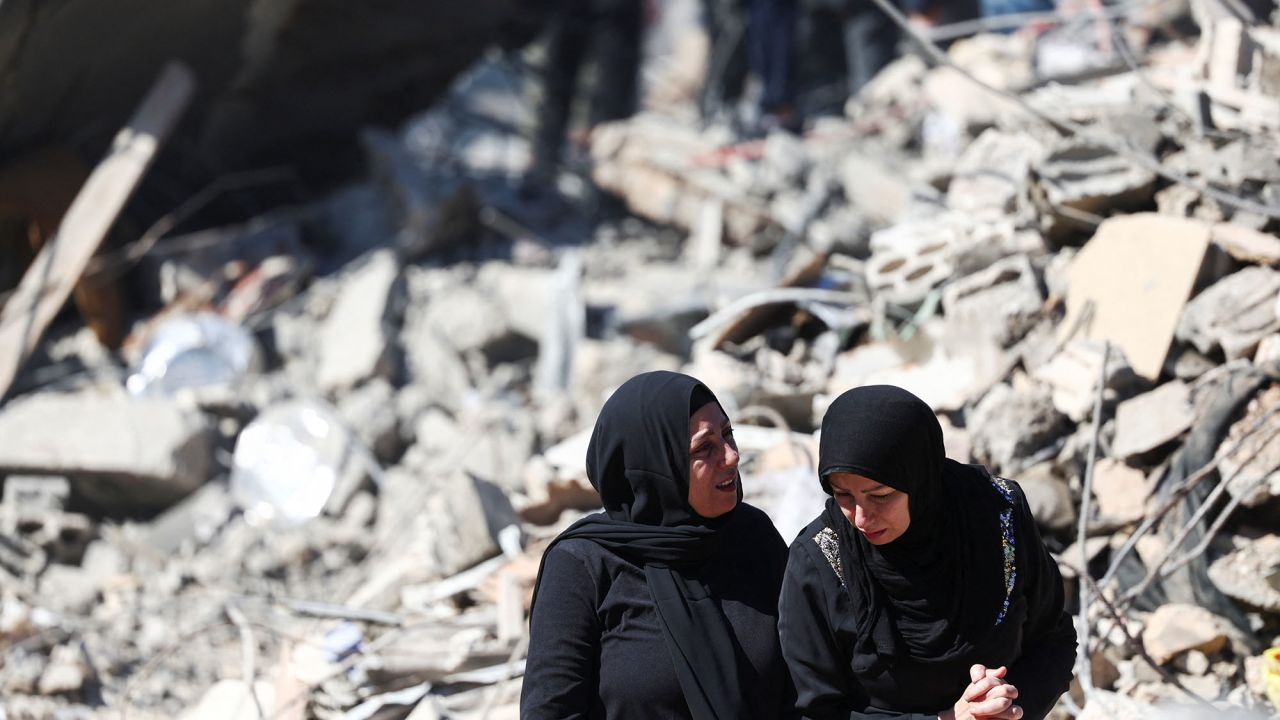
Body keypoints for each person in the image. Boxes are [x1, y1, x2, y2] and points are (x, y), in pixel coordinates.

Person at [779, 385, 1076, 720]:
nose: (861, 518)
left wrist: (1007, 704)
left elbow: (1054, 636)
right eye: (843, 496)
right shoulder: (818, 564)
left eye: (880, 495)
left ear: (920, 478)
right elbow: (814, 712)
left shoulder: (997, 516)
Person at [521, 370, 795, 719]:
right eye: (704, 448)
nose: (731, 457)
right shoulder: (582, 565)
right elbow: (552, 712)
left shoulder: (753, 537)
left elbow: (805, 677)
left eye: (728, 435)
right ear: (655, 466)